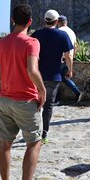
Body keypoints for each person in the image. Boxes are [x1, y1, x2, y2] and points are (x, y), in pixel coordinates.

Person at [0, 3, 50, 180]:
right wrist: (42, 90)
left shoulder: (1, 44)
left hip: (4, 101)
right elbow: (32, 70)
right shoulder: (31, 42)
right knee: (34, 142)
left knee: (5, 144)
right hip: (26, 101)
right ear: (30, 22)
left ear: (12, 20)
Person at [31, 9, 74, 144]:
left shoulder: (36, 35)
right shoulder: (62, 35)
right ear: (57, 22)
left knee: (35, 105)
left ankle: (33, 132)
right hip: (54, 75)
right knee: (48, 105)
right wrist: (70, 70)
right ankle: (44, 134)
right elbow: (69, 55)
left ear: (45, 20)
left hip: (37, 75)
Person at [57, 15, 84, 104]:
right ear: (66, 22)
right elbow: (75, 46)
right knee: (63, 78)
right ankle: (77, 92)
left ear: (58, 22)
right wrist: (73, 58)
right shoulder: (72, 32)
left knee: (55, 78)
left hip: (61, 58)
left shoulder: (59, 31)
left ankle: (56, 99)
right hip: (70, 58)